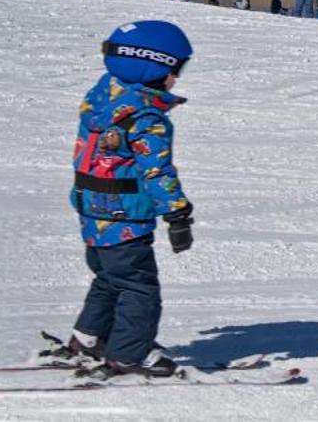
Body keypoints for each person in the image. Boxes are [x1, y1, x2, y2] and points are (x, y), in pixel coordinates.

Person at [53, 21, 197, 377]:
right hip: (124, 217)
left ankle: (89, 337)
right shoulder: (146, 119)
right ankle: (129, 354)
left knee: (109, 277)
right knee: (138, 287)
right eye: (173, 70)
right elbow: (157, 172)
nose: (175, 80)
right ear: (152, 65)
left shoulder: (103, 95)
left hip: (90, 209)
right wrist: (178, 215)